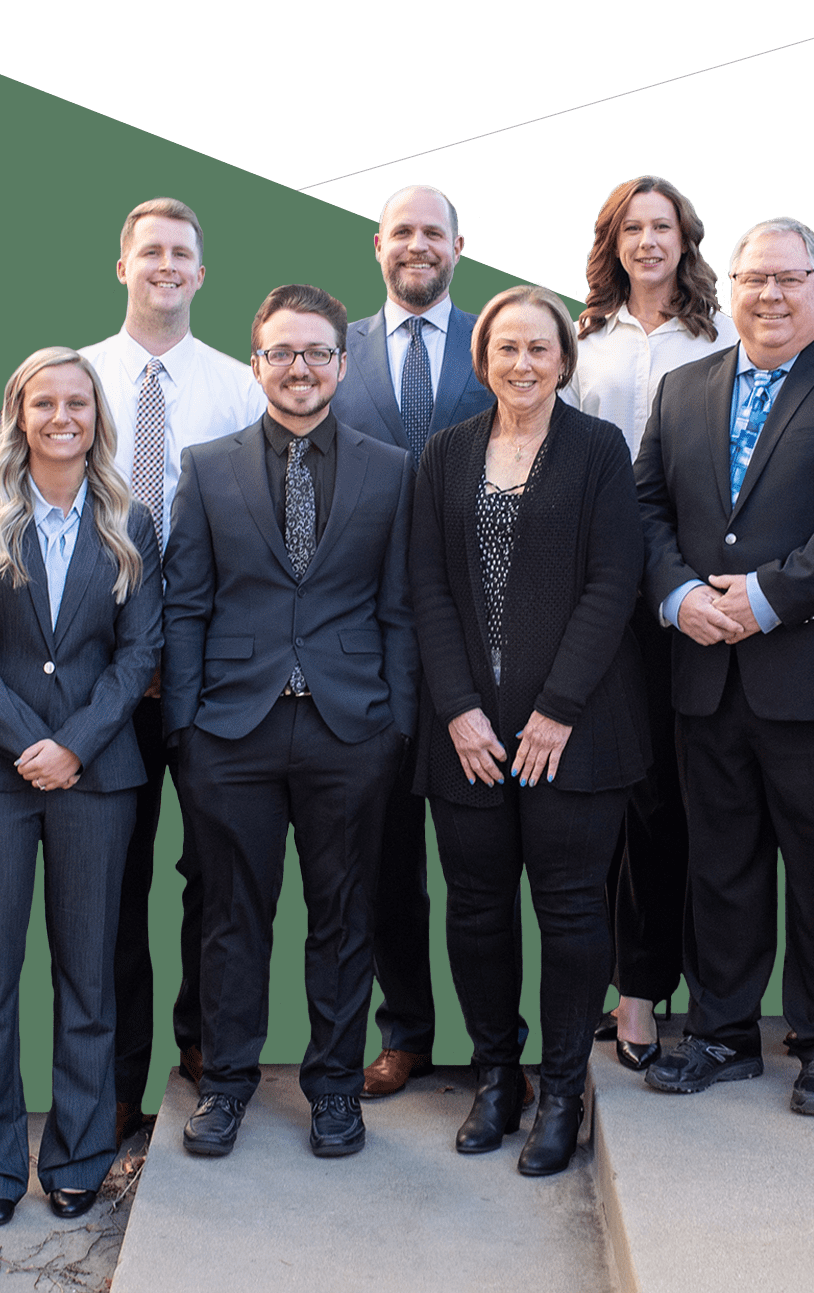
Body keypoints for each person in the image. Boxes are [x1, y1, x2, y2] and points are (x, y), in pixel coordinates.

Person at [635, 217, 814, 1118]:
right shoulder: (684, 388)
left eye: (788, 278)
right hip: (705, 671)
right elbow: (645, 508)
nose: (769, 295)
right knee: (720, 861)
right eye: (754, 279)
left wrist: (762, 597)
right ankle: (722, 1031)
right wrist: (682, 596)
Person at [163, 284, 416, 1160]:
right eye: (282, 352)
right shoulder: (207, 465)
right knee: (233, 915)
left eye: (316, 353)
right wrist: (187, 730)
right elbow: (186, 604)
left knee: (345, 915)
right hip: (232, 731)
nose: (299, 368)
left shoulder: (390, 469)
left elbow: (399, 610)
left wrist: (396, 726)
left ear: (342, 365)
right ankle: (227, 1084)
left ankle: (334, 1088)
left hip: (353, 729)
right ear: (258, 361)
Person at [413, 284, 648, 1176]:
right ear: (483, 361)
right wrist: (458, 709)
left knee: (571, 908)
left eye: (538, 349)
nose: (521, 364)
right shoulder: (445, 454)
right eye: (505, 349)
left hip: (575, 732)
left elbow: (613, 581)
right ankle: (496, 1077)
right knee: (475, 910)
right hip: (466, 732)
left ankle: (561, 1090)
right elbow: (427, 586)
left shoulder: (597, 449)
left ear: (563, 360)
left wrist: (556, 709)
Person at [0, 347, 162, 1224]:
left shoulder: (128, 517)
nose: (62, 417)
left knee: (89, 974)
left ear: (98, 416)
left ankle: (78, 1154)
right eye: (43, 403)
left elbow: (141, 650)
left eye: (78, 403)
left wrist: (76, 745)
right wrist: (32, 742)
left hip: (98, 775)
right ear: (18, 415)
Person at [80, 197, 267, 1143]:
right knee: (111, 880)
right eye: (148, 250)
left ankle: (204, 1046)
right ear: (122, 266)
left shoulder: (241, 387)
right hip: (97, 676)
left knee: (214, 872)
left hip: (203, 673)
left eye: (181, 253)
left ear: (201, 273)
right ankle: (117, 1077)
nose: (164, 264)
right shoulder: (77, 378)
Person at [329, 184, 499, 1098]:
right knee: (385, 855)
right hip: (368, 640)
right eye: (403, 232)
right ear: (378, 244)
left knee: (482, 858)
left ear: (458, 245)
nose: (418, 246)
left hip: (485, 636)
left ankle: (493, 1040)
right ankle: (406, 1030)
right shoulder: (333, 351)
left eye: (434, 232)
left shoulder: (501, 343)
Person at [566, 175, 737, 1072]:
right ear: (612, 241)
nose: (646, 240)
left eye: (661, 225)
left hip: (691, 583)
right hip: (600, 587)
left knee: (677, 794)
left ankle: (660, 984)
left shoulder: (725, 334)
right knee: (608, 792)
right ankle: (615, 979)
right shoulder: (582, 338)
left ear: (685, 238)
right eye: (631, 227)